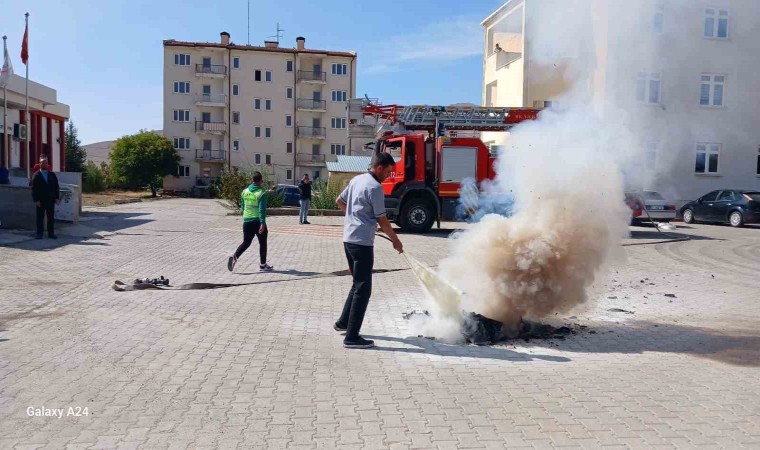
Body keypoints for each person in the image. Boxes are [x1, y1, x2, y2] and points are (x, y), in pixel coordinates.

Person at [334, 152, 403, 349]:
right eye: (388, 172)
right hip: (362, 243)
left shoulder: (357, 180)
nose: (388, 176)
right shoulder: (375, 188)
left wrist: (355, 218)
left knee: (357, 283)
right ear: (379, 167)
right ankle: (352, 337)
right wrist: (395, 241)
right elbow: (382, 219)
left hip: (348, 239)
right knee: (364, 289)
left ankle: (343, 323)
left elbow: (340, 201)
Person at [227, 171, 273, 272]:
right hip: (257, 221)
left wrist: (246, 215)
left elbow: (243, 206)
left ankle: (235, 257)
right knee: (263, 243)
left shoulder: (245, 191)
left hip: (247, 221)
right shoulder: (261, 193)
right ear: (261, 181)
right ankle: (263, 265)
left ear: (252, 180)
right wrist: (262, 223)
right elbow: (262, 210)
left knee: (246, 242)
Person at [30, 158, 60, 239]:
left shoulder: (52, 174)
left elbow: (56, 187)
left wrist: (57, 198)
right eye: (43, 163)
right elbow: (33, 189)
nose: (45, 164)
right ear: (40, 164)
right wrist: (36, 200)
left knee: (51, 217)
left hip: (50, 199)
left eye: (46, 163)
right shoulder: (36, 175)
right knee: (40, 217)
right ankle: (39, 233)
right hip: (40, 200)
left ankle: (51, 233)